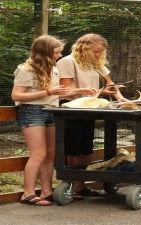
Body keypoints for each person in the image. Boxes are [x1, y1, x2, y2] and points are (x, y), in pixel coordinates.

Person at [56, 33, 129, 199]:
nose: (97, 55)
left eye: (100, 52)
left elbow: (110, 84)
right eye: (95, 51)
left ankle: (81, 185)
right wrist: (83, 91)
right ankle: (70, 185)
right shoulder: (67, 62)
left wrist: (120, 98)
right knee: (73, 148)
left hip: (89, 108)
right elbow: (65, 90)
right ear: (84, 47)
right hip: (72, 108)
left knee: (85, 147)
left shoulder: (95, 63)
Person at [11, 35, 70, 206]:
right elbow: (16, 95)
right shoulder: (26, 69)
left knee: (51, 154)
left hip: (51, 111)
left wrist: (83, 91)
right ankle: (28, 193)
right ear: (45, 52)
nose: (59, 55)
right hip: (31, 112)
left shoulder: (54, 68)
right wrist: (48, 93)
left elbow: (57, 92)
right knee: (39, 154)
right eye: (57, 52)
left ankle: (46, 191)